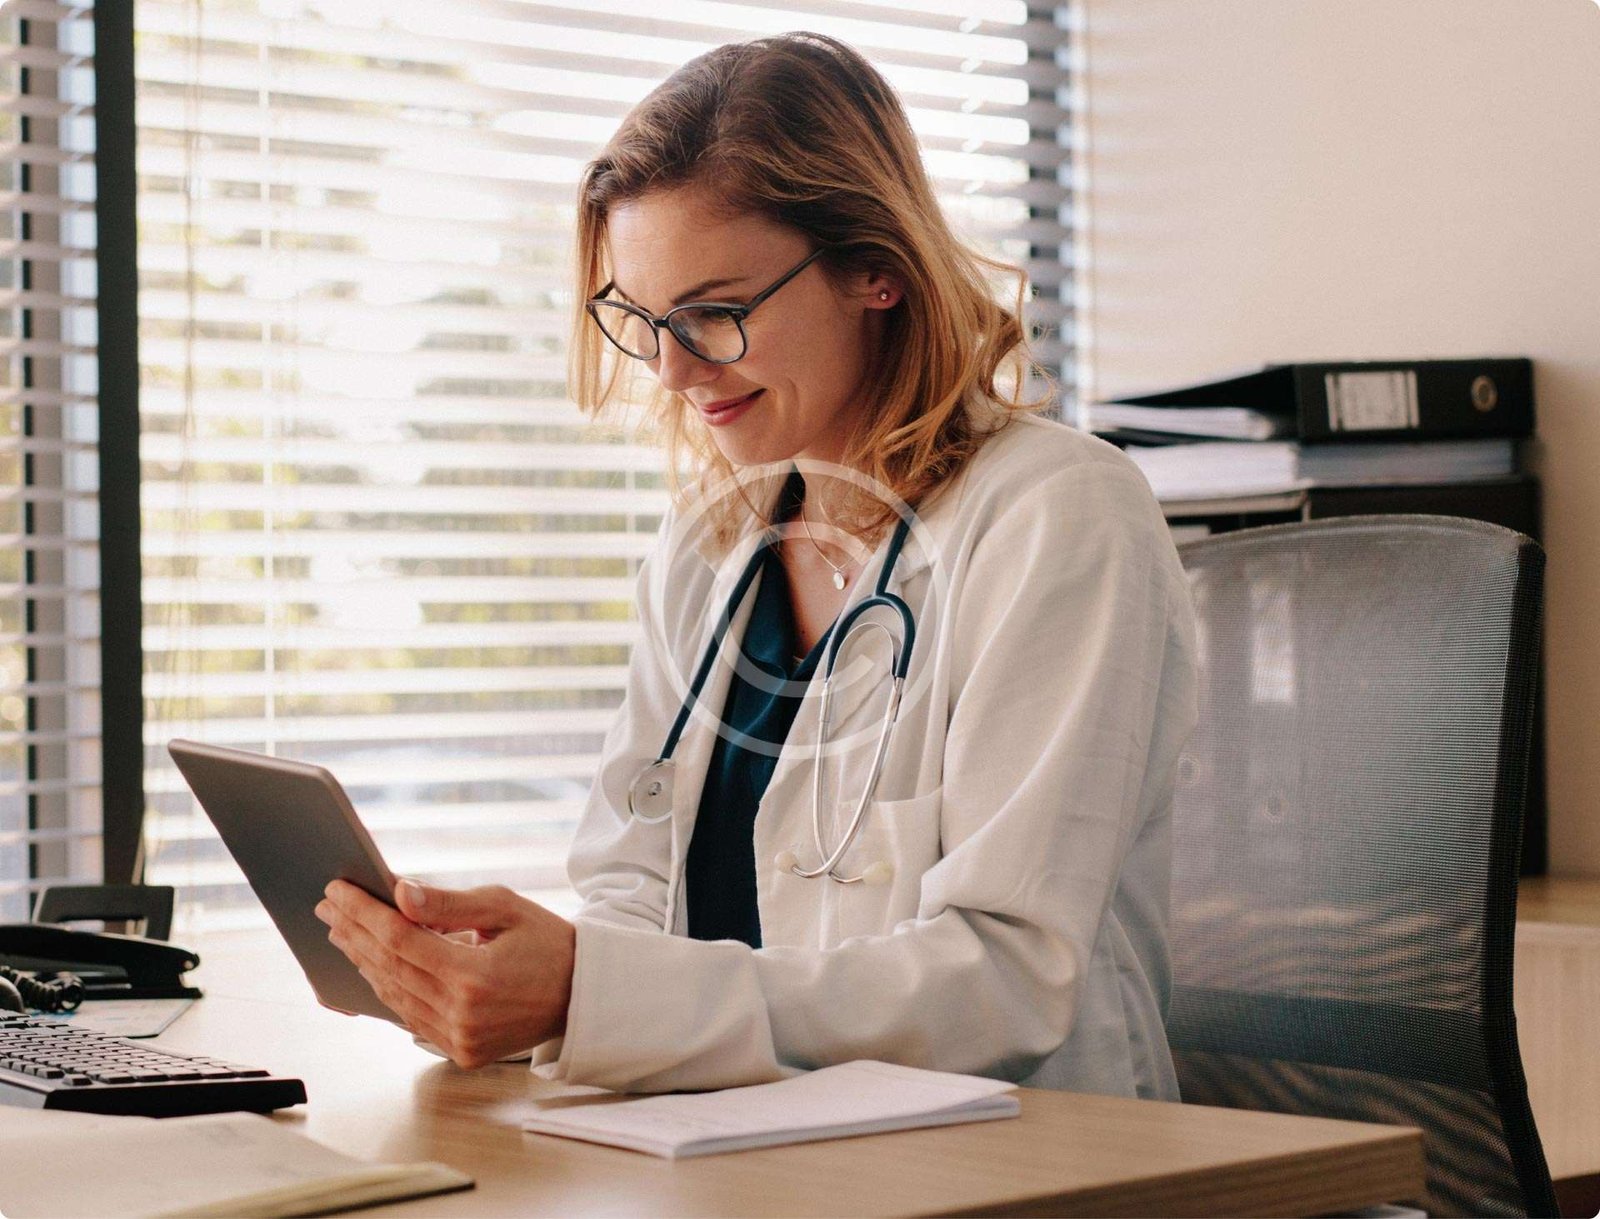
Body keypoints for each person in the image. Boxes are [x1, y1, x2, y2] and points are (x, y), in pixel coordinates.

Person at [316, 32, 1197, 1100]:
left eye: (714, 313)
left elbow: (1005, 982)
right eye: (643, 320)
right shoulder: (709, 546)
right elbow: (632, 890)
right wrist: (517, 987)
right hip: (738, 1143)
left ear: (876, 269)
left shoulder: (1058, 516)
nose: (672, 370)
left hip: (1020, 1151)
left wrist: (592, 994)